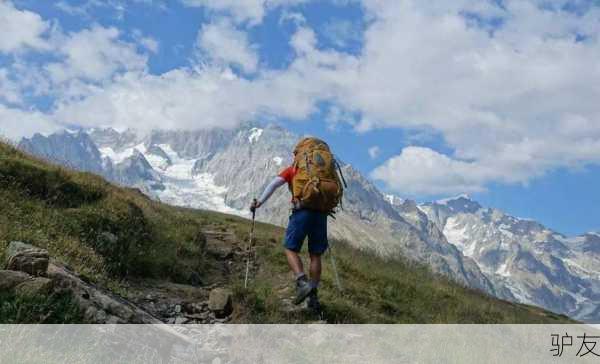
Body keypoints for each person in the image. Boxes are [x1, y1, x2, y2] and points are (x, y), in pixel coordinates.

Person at [250, 137, 344, 311]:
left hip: (302, 211)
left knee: (290, 248)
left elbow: (274, 184)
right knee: (315, 255)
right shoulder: (326, 171)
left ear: (299, 153)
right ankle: (313, 296)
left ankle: (302, 282)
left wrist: (260, 202)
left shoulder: (295, 169)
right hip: (321, 214)